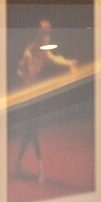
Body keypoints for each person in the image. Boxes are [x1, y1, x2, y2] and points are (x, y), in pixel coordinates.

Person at [14, 19, 79, 184]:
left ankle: (24, 165)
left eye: (47, 33)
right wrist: (25, 78)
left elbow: (56, 58)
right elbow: (19, 71)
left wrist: (70, 63)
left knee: (30, 131)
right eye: (44, 32)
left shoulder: (44, 51)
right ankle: (39, 166)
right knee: (31, 130)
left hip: (33, 94)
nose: (46, 38)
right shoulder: (29, 52)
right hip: (25, 94)